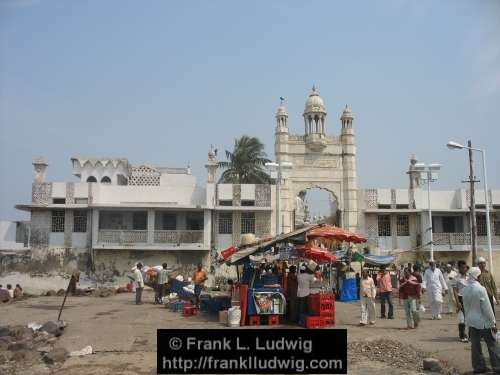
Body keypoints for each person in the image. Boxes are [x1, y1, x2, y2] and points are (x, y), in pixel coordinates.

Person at [462, 267, 500, 374]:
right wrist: (493, 322)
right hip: (483, 322)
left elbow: (465, 307)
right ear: (477, 277)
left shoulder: (465, 289)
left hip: (471, 321)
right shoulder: (481, 289)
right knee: (492, 344)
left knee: (475, 345)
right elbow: (487, 307)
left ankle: (478, 367)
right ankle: (497, 367)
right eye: (479, 276)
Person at [452, 260, 469, 343]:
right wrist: (457, 302)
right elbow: (455, 291)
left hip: (469, 299)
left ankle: (471, 334)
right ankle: (462, 335)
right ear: (459, 268)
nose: (464, 269)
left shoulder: (469, 277)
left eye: (465, 267)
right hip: (461, 299)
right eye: (462, 267)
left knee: (469, 318)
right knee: (462, 318)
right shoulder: (456, 278)